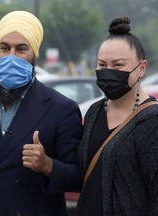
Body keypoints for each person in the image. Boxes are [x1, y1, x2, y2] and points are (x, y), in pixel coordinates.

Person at [0, 10, 83, 216]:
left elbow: (78, 177)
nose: (11, 56)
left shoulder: (62, 108)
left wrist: (48, 165)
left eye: (21, 49)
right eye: (5, 48)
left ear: (34, 53)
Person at [76, 16, 158, 216]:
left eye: (118, 65)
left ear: (142, 68)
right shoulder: (95, 111)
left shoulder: (152, 121)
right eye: (102, 64)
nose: (108, 72)